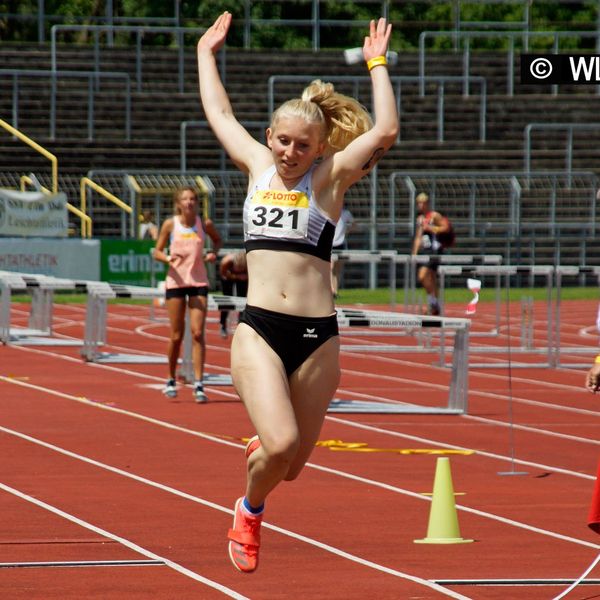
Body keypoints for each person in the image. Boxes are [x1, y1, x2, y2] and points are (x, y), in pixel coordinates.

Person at [197, 11, 398, 573]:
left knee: (292, 465)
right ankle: (248, 511)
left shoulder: (330, 179)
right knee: (280, 446)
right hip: (260, 328)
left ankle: (265, 469)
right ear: (270, 137)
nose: (289, 152)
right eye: (283, 140)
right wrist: (205, 53)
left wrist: (376, 63)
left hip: (317, 337)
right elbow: (219, 111)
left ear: (319, 147)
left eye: (302, 145)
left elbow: (384, 132)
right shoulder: (257, 166)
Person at [153, 186, 222, 403]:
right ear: (178, 203)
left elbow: (218, 241)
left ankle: (199, 384)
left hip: (198, 282)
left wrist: (213, 254)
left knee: (197, 333)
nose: (190, 202)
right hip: (175, 282)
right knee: (176, 335)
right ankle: (171, 378)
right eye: (185, 199)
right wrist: (167, 259)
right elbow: (156, 251)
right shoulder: (170, 224)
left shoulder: (204, 224)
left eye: (193, 199)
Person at [411, 192, 451, 316]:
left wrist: (432, 228)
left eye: (422, 202)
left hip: (434, 249)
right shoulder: (420, 219)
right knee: (431, 278)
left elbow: (446, 227)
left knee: (423, 276)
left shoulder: (434, 216)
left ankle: (433, 303)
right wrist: (414, 253)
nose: (420, 205)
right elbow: (418, 236)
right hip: (425, 249)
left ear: (427, 203)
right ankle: (435, 305)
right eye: (418, 203)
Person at [219, 250, 248, 338]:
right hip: (228, 276)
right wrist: (236, 276)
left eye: (241, 269)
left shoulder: (249, 261)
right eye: (238, 268)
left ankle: (241, 322)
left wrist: (245, 276)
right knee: (227, 299)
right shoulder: (226, 262)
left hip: (243, 277)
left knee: (242, 299)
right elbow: (223, 274)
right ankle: (222, 324)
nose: (239, 270)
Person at [330, 207, 354, 297]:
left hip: (341, 243)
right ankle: (331, 290)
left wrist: (346, 231)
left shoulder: (345, 213)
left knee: (338, 269)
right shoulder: (330, 210)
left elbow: (354, 223)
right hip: (331, 243)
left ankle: (335, 291)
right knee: (330, 268)